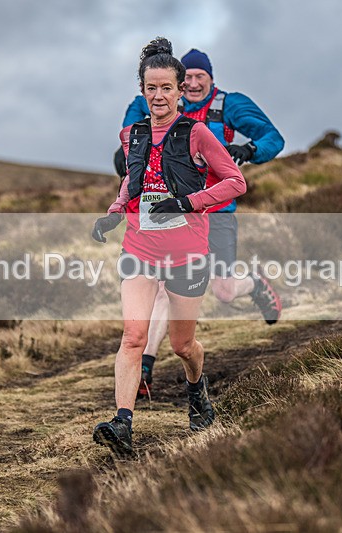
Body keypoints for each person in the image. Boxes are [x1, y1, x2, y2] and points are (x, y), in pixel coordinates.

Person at [91, 37, 246, 456]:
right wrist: (115, 211)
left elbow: (236, 182)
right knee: (133, 337)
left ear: (181, 91)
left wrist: (188, 203)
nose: (158, 96)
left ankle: (197, 391)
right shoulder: (132, 134)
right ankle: (122, 423)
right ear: (141, 90)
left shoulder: (197, 134)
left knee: (182, 346)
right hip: (139, 248)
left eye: (166, 88)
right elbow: (133, 181)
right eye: (150, 88)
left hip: (186, 254)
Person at [113, 48, 285, 400]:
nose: (192, 84)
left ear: (210, 79)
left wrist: (250, 151)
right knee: (162, 287)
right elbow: (129, 133)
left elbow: (273, 138)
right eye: (187, 77)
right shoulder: (153, 99)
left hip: (216, 213)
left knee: (224, 291)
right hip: (167, 217)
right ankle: (145, 366)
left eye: (199, 77)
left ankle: (254, 284)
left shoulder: (228, 105)